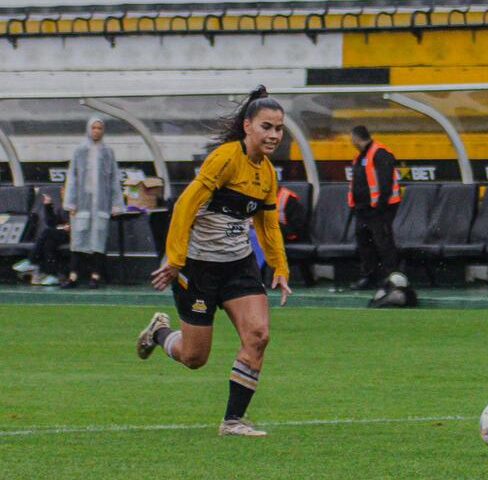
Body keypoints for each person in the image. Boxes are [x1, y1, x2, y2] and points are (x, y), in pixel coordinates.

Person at [135, 86, 292, 437]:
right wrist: (176, 260)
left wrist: (280, 268)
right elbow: (185, 205)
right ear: (248, 126)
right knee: (194, 358)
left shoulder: (267, 173)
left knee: (258, 335)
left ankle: (233, 421)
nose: (274, 135)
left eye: (279, 128)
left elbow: (267, 224)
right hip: (198, 267)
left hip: (238, 265)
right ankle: (159, 333)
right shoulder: (224, 158)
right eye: (267, 127)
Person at [61, 117, 125, 289]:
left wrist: (116, 204)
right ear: (89, 129)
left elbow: (113, 179)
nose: (96, 131)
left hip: (101, 205)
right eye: (94, 128)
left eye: (99, 128)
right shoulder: (79, 151)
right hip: (82, 205)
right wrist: (71, 203)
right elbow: (72, 178)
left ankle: (95, 276)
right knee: (78, 240)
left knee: (98, 241)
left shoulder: (108, 152)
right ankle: (73, 276)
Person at [348, 125, 401, 290]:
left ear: (356, 138)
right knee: (364, 244)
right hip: (362, 209)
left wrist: (380, 206)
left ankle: (392, 278)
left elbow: (386, 182)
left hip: (379, 209)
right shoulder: (360, 157)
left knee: (384, 244)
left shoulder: (380, 153)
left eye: (352, 139)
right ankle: (370, 276)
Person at [12, 189, 70, 286]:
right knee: (49, 243)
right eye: (62, 192)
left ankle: (31, 261)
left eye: (65, 192)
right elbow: (52, 223)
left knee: (47, 232)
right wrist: (48, 205)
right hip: (61, 234)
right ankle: (53, 275)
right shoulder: (62, 208)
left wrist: (69, 226)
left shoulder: (76, 207)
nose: (63, 194)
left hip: (74, 235)